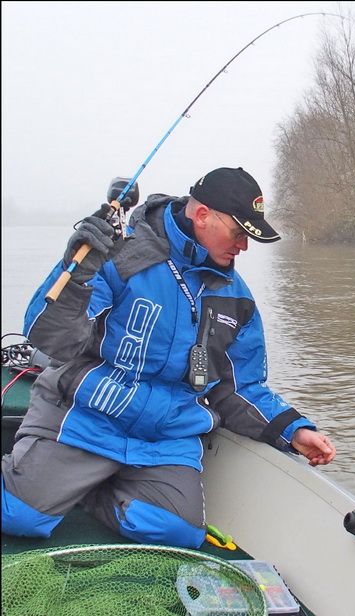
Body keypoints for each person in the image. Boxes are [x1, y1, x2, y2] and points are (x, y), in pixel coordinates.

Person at [1, 167, 336, 548]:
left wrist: (295, 430)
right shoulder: (118, 257)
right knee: (17, 515)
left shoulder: (238, 299)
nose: (243, 246)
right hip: (84, 420)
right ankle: (54, 481)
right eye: (238, 232)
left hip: (164, 439)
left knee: (177, 533)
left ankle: (87, 493)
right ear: (203, 214)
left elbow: (241, 387)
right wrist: (75, 276)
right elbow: (51, 341)